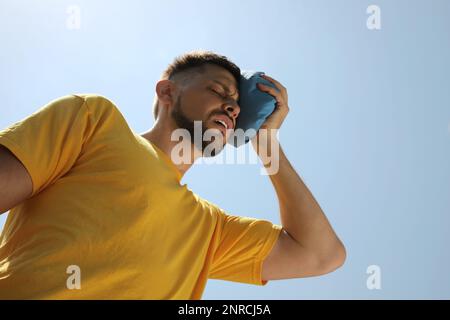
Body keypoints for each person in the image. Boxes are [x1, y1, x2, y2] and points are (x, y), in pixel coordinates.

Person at [0, 50, 346, 299]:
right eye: (218, 90)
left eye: (237, 105)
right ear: (167, 92)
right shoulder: (96, 120)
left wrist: (266, 142)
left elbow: (321, 255)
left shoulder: (209, 228)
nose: (232, 106)